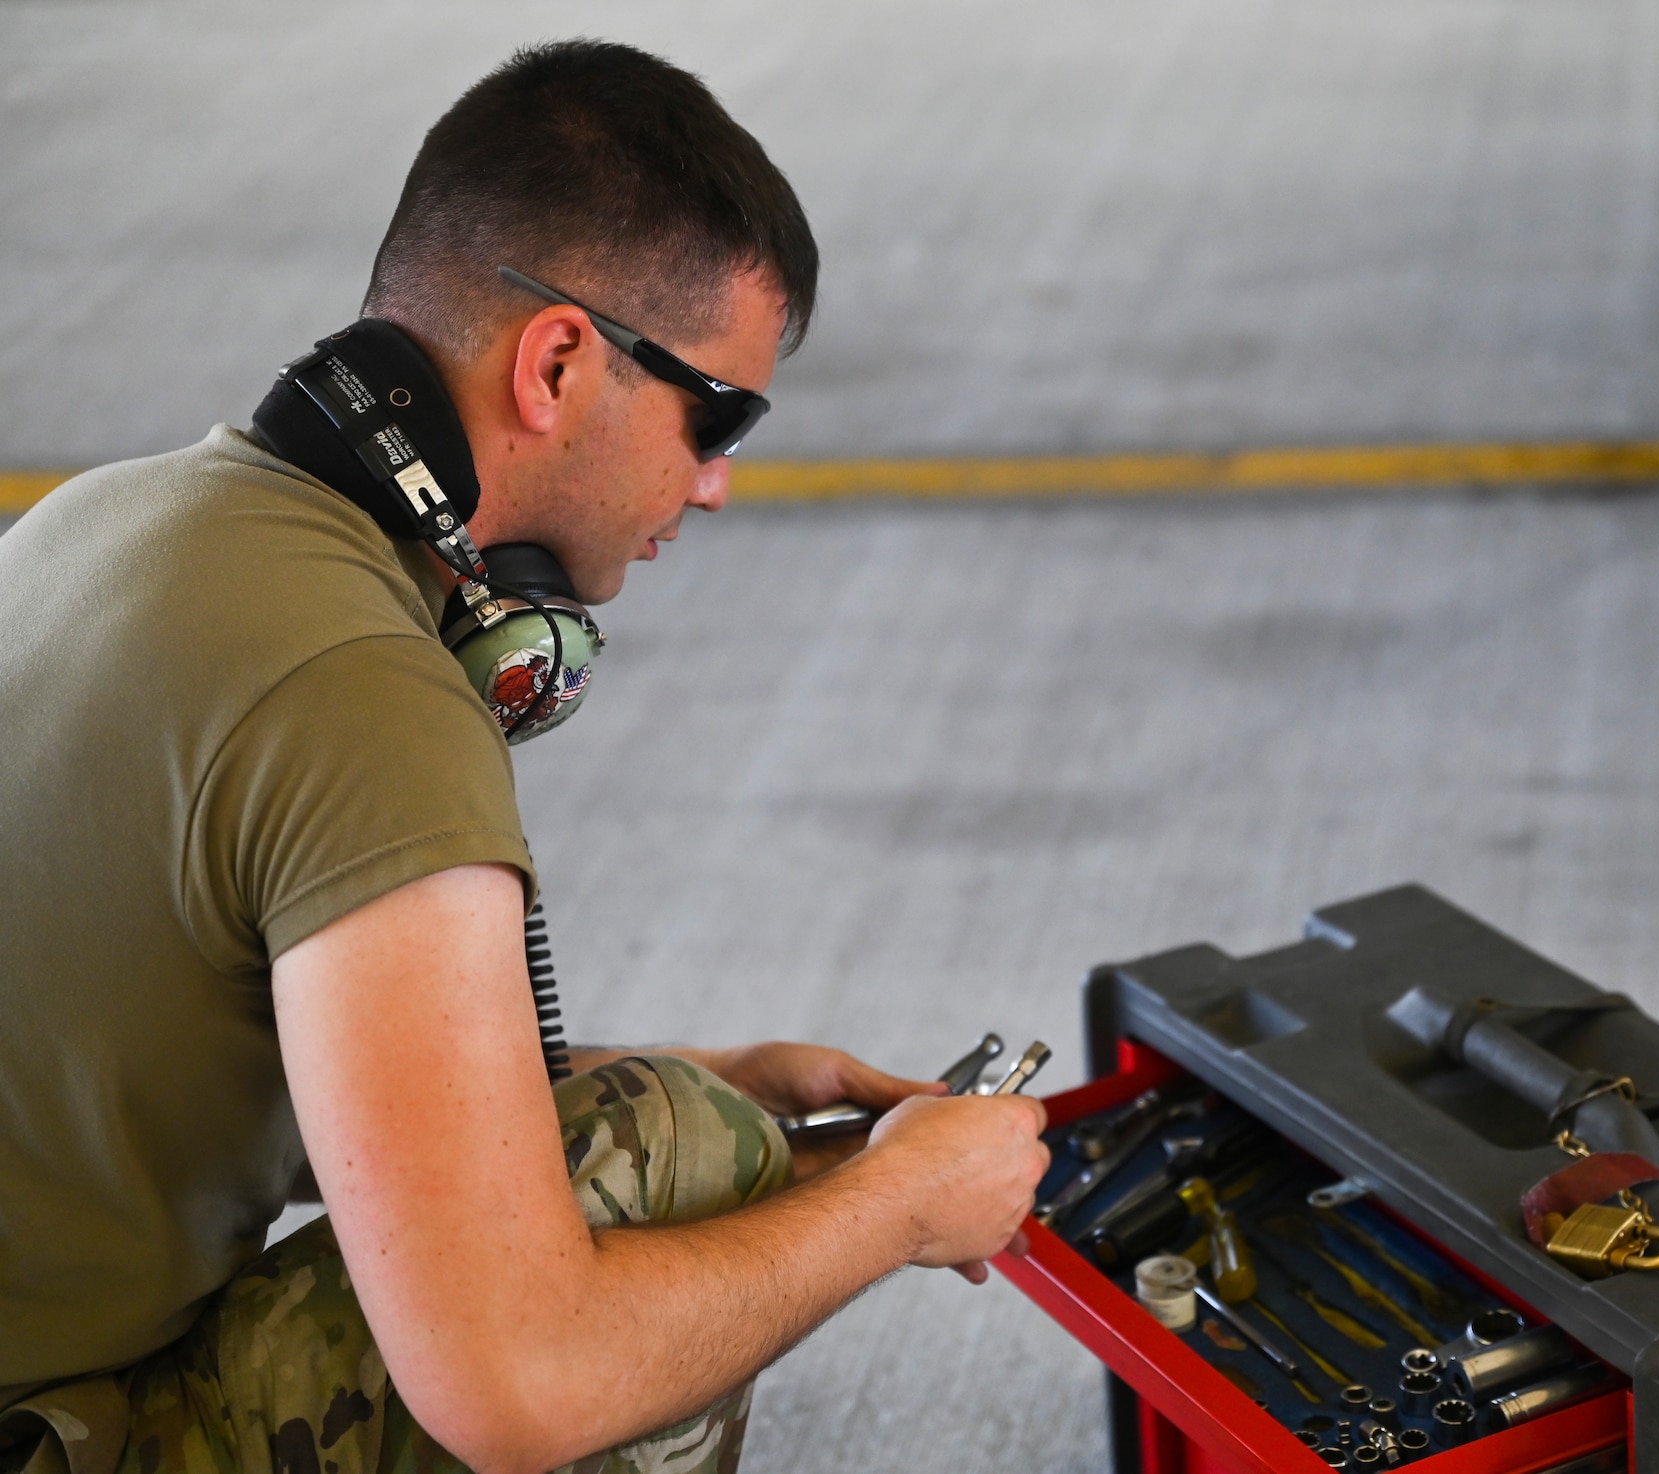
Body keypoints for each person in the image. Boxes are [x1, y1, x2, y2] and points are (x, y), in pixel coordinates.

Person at [0, 40, 1050, 1474]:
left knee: (689, 1115)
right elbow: (518, 1385)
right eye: (715, 416)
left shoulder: (106, 523)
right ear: (557, 361)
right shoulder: (361, 692)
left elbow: (206, 1078)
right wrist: (902, 1209)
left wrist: (735, 1074)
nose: (719, 482)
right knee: (667, 1156)